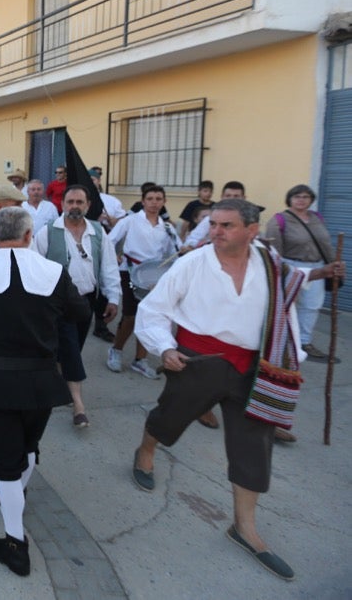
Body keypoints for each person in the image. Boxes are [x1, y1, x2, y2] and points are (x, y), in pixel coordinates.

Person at [130, 199, 343, 581]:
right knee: (169, 417)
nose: (216, 232)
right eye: (213, 224)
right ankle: (145, 451)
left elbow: (291, 287)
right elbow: (154, 310)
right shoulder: (192, 263)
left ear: (251, 230)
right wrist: (165, 347)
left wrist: (324, 272)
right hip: (198, 361)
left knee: (253, 446)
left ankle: (244, 528)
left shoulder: (270, 264)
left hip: (255, 367)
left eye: (226, 225)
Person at [0, 207, 90, 577]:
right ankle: (14, 501)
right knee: (27, 448)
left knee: (6, 462)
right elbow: (79, 312)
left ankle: (15, 544)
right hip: (43, 381)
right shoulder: (53, 273)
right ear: (29, 236)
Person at [34, 185, 121, 427]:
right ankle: (78, 404)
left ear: (88, 205)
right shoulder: (47, 232)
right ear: (62, 204)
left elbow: (109, 267)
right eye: (70, 201)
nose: (74, 206)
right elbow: (34, 264)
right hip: (58, 302)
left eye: (79, 202)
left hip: (87, 300)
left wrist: (113, 297)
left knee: (73, 346)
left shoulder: (98, 232)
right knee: (71, 347)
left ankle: (60, 380)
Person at [107, 185, 182, 378]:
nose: (154, 202)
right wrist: (114, 255)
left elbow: (174, 252)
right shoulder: (130, 221)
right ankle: (116, 350)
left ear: (164, 202)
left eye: (158, 199)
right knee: (131, 315)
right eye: (150, 198)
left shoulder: (167, 227)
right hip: (130, 272)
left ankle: (140, 360)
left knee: (149, 317)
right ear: (143, 201)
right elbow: (109, 240)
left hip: (154, 279)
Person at [265, 184, 339, 364]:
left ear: (311, 200)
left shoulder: (317, 218)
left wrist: (332, 265)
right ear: (289, 199)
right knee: (286, 306)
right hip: (292, 266)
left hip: (317, 267)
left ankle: (304, 342)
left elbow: (325, 244)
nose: (301, 200)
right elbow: (275, 249)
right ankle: (283, 342)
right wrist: (279, 271)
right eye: (297, 196)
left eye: (305, 197)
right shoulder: (279, 220)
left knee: (312, 306)